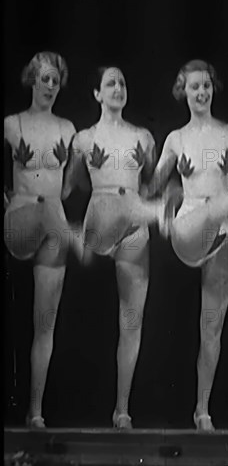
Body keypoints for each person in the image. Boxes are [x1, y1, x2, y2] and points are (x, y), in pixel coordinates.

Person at [144, 59, 228, 431]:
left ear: (213, 89)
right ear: (183, 92)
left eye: (206, 86)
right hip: (189, 229)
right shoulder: (176, 138)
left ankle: (202, 409)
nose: (201, 93)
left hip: (223, 237)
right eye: (194, 87)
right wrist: (164, 190)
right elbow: (153, 185)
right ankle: (207, 209)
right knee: (211, 208)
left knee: (212, 327)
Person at [67, 66, 165, 429]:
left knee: (131, 320)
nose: (118, 88)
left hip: (135, 226)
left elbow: (152, 183)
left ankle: (122, 408)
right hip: (103, 215)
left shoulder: (143, 136)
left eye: (122, 82)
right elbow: (70, 186)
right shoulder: (84, 138)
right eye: (110, 83)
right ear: (96, 94)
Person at [3, 51, 84, 428]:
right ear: (32, 80)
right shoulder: (11, 123)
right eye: (45, 79)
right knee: (50, 210)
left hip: (52, 224)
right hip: (22, 218)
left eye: (56, 81)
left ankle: (35, 412)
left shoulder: (68, 129)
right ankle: (75, 237)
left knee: (44, 324)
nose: (50, 86)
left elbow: (66, 187)